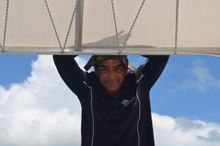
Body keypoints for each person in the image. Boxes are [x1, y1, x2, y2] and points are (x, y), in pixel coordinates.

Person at [53, 55, 169, 146]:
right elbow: (62, 59)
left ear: (125, 70)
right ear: (96, 71)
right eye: (104, 69)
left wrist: (128, 42)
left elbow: (160, 57)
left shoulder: (139, 82)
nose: (111, 76)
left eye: (117, 69)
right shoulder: (87, 87)